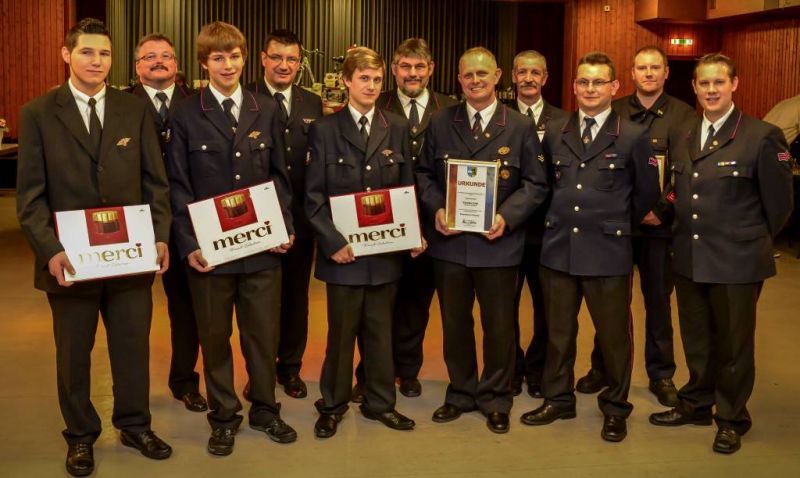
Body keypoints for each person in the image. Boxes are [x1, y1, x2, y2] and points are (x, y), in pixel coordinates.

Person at [16, 18, 173, 477]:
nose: (96, 61)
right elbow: (29, 198)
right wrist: (50, 250)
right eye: (86, 52)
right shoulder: (39, 113)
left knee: (132, 347)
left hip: (129, 259)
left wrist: (160, 235)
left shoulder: (133, 109)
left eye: (104, 53)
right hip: (69, 262)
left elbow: (154, 183)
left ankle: (134, 424)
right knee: (73, 355)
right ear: (67, 55)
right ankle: (81, 436)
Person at [649, 53, 793, 454]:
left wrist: (747, 240)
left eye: (719, 83)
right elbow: (680, 186)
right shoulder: (684, 131)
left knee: (733, 345)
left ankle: (731, 417)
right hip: (690, 254)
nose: (711, 90)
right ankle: (696, 403)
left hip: (736, 261)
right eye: (703, 83)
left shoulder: (761, 136)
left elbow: (780, 205)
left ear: (734, 85)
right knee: (697, 338)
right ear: (694, 87)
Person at [166, 21, 296, 456]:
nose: (228, 64)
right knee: (215, 338)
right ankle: (224, 416)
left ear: (245, 58)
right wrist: (190, 245)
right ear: (204, 63)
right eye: (218, 57)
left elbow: (280, 176)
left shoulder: (266, 108)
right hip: (212, 255)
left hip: (261, 250)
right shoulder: (185, 113)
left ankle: (265, 408)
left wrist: (285, 227)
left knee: (262, 335)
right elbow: (178, 186)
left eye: (234, 56)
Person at [519, 52, 659, 443]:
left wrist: (614, 226)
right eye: (583, 82)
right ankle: (557, 399)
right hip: (559, 247)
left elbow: (646, 194)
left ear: (615, 87)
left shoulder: (631, 135)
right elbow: (544, 185)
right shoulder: (556, 130)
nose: (590, 89)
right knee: (558, 333)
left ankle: (615, 407)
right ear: (574, 86)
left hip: (607, 252)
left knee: (613, 337)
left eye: (598, 82)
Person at [416, 47, 548, 434]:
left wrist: (509, 216)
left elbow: (536, 184)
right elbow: (423, 174)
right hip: (451, 245)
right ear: (458, 79)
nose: (475, 81)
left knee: (499, 325)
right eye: (468, 75)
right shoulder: (441, 122)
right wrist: (438, 208)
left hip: (499, 244)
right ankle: (460, 392)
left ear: (497, 76)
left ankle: (495, 396)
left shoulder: (519, 126)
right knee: (454, 324)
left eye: (482, 74)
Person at [306, 46, 422, 439]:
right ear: (347, 82)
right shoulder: (324, 130)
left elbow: (406, 187)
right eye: (364, 79)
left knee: (380, 334)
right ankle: (334, 405)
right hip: (344, 256)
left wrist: (413, 230)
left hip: (385, 253)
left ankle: (379, 404)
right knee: (340, 337)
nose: (371, 86)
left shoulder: (397, 127)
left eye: (376, 79)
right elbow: (313, 198)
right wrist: (332, 241)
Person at [576, 46, 696, 407]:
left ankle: (661, 374)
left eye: (654, 68)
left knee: (657, 301)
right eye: (641, 67)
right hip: (617, 226)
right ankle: (603, 368)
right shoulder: (615, 108)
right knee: (609, 302)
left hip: (659, 226)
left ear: (665, 72)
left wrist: (660, 208)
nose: (648, 73)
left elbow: (686, 172)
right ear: (630, 73)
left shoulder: (684, 115)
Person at [351, 37, 458, 401]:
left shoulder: (451, 109)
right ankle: (369, 373)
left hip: (432, 224)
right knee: (376, 305)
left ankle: (407, 370)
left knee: (415, 303)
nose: (412, 74)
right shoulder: (373, 103)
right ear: (394, 69)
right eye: (405, 67)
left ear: (430, 69)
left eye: (420, 67)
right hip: (380, 224)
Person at [126, 32, 207, 413]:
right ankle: (130, 393)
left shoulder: (199, 105)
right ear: (137, 65)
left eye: (167, 56)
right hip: (136, 226)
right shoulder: (121, 105)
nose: (159, 61)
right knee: (130, 312)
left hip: (189, 224)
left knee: (188, 307)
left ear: (177, 65)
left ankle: (184, 381)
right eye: (150, 57)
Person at [244, 29, 323, 400]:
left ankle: (290, 369)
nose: (284, 65)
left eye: (292, 59)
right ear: (262, 59)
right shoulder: (245, 100)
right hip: (258, 222)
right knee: (258, 304)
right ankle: (258, 372)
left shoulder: (312, 103)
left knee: (296, 298)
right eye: (277, 57)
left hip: (301, 223)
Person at [508, 49, 567, 398]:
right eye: (522, 72)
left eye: (535, 73)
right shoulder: (498, 117)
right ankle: (512, 368)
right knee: (505, 307)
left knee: (549, 308)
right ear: (512, 77)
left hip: (549, 232)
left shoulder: (565, 121)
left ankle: (538, 368)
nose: (528, 78)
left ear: (545, 78)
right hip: (508, 230)